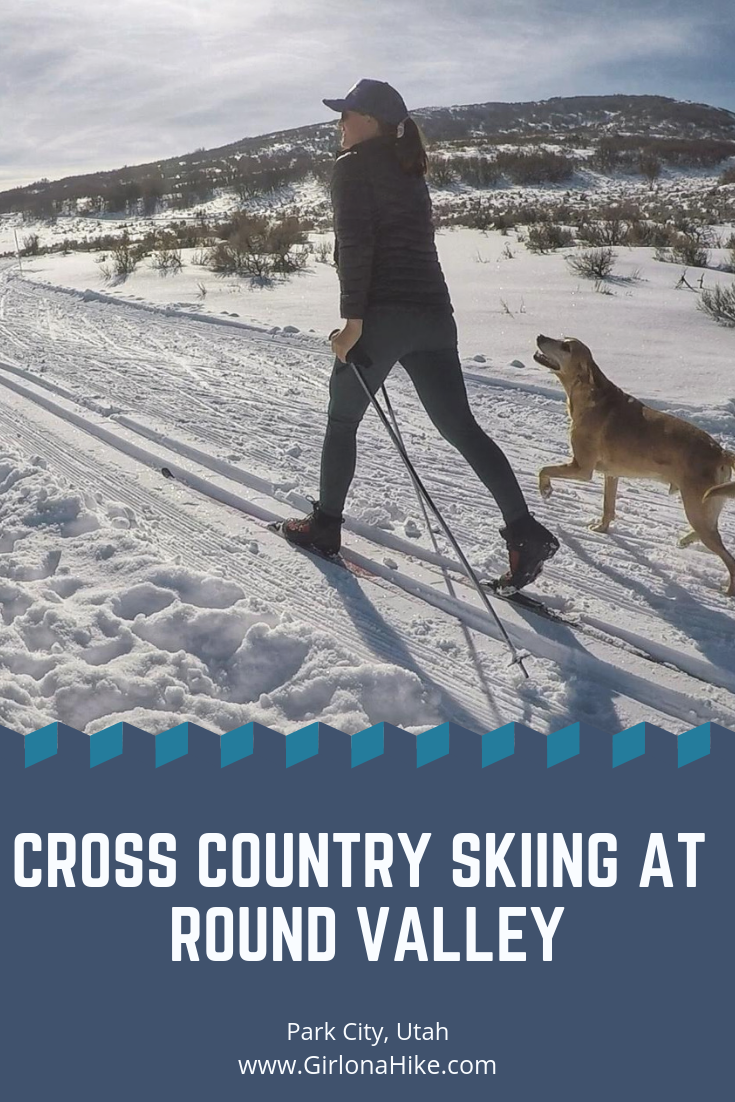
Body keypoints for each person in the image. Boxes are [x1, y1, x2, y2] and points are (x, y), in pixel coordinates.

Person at [282, 78, 558, 590]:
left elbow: (357, 246)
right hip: (435, 316)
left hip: (382, 317)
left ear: (372, 121)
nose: (339, 121)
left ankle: (324, 528)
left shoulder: (351, 167)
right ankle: (524, 532)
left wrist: (353, 325)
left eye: (348, 113)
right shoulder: (411, 169)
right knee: (461, 427)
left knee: (341, 422)